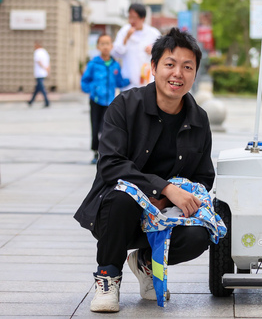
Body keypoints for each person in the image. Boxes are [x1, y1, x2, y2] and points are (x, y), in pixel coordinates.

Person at [74, 28, 215, 313]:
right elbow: (110, 163)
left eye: (187, 67)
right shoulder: (125, 106)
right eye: (170, 64)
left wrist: (170, 197)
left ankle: (145, 262)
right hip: (116, 212)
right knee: (125, 198)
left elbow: (204, 176)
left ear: (195, 73)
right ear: (153, 67)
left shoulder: (198, 118)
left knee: (200, 235)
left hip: (165, 214)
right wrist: (161, 188)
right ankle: (108, 276)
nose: (178, 73)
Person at [80, 34, 130, 164]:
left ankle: (105, 153)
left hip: (110, 102)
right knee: (95, 127)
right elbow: (84, 81)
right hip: (96, 101)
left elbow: (119, 82)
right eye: (102, 44)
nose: (105, 46)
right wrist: (92, 89)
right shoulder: (93, 64)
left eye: (108, 43)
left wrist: (132, 79)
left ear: (111, 46)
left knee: (107, 128)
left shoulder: (115, 65)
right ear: (98, 46)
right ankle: (95, 152)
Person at [112, 3, 161, 90]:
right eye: (130, 17)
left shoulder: (153, 33)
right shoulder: (124, 31)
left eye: (134, 18)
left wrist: (154, 50)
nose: (131, 21)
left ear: (143, 18)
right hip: (129, 82)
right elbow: (116, 52)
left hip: (148, 81)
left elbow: (163, 53)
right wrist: (126, 37)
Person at [28, 40, 51, 107]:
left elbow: (39, 61)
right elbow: (48, 62)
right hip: (44, 73)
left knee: (42, 88)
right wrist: (48, 71)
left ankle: (47, 101)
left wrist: (44, 68)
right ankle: (31, 101)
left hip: (39, 73)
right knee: (37, 88)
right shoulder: (45, 52)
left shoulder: (37, 52)